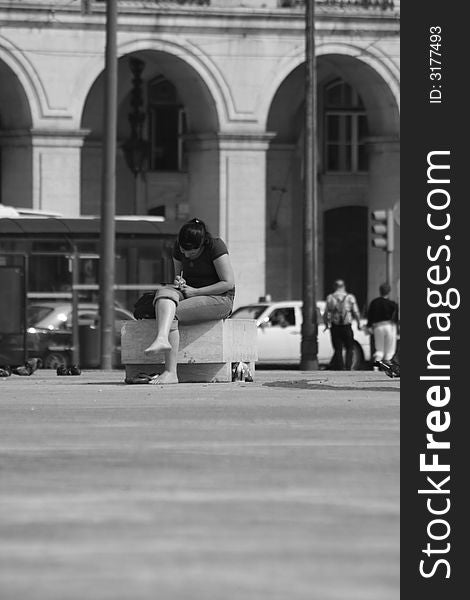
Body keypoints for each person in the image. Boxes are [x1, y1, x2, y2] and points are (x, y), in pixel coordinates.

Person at [144, 218, 235, 384]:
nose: (186, 255)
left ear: (202, 245)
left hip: (219, 298)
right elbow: (178, 276)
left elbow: (228, 283)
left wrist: (196, 292)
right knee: (164, 293)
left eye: (191, 253)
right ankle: (162, 338)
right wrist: (180, 282)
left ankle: (171, 373)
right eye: (183, 250)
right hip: (190, 293)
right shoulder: (178, 248)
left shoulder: (215, 246)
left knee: (172, 313)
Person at [323, 279, 361, 370]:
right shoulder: (350, 297)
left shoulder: (330, 297)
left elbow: (326, 313)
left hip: (335, 326)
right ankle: (348, 366)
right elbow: (356, 312)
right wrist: (359, 323)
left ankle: (340, 367)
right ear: (344, 286)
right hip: (346, 326)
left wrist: (326, 324)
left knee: (338, 348)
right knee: (349, 347)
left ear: (334, 287)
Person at [366, 282, 399, 369]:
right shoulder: (392, 304)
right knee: (390, 351)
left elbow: (369, 315)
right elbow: (397, 317)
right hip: (390, 326)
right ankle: (387, 368)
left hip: (378, 327)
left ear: (380, 291)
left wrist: (369, 326)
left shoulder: (374, 302)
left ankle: (375, 368)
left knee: (379, 350)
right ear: (389, 291)